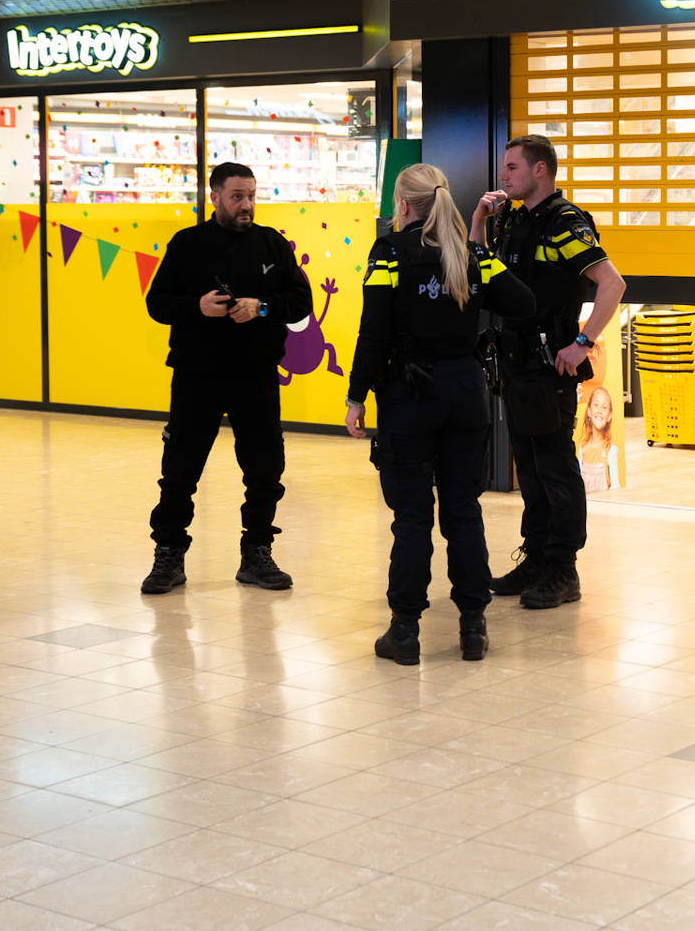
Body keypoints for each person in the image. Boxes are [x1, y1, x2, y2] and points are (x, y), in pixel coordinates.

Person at [344, 163, 534, 665]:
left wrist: (356, 396)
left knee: (411, 517)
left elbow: (374, 331)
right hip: (466, 394)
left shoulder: (389, 253)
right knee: (462, 510)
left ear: (403, 205)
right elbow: (522, 302)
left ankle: (405, 632)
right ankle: (473, 627)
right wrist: (482, 258)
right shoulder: (472, 255)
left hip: (410, 397)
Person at [139, 162, 313, 595]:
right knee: (179, 470)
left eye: (251, 195)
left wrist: (262, 307)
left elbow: (300, 302)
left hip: (256, 376)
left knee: (265, 470)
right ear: (214, 196)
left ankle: (257, 552)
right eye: (237, 196)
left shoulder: (272, 244)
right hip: (196, 375)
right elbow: (157, 303)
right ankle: (168, 554)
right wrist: (196, 307)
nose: (246, 205)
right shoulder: (187, 244)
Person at [471, 133, 626, 609]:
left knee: (555, 470)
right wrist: (478, 221)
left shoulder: (564, 223)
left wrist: (583, 343)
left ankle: (563, 569)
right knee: (531, 470)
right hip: (515, 366)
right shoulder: (513, 220)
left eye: (512, 167)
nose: (503, 176)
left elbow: (612, 284)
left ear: (540, 170)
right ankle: (536, 557)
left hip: (547, 367)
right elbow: (481, 271)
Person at [577, 384, 620, 492]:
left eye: (604, 407)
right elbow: (578, 484)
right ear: (589, 411)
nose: (599, 410)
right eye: (596, 405)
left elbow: (615, 488)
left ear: (609, 416)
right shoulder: (583, 448)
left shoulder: (610, 450)